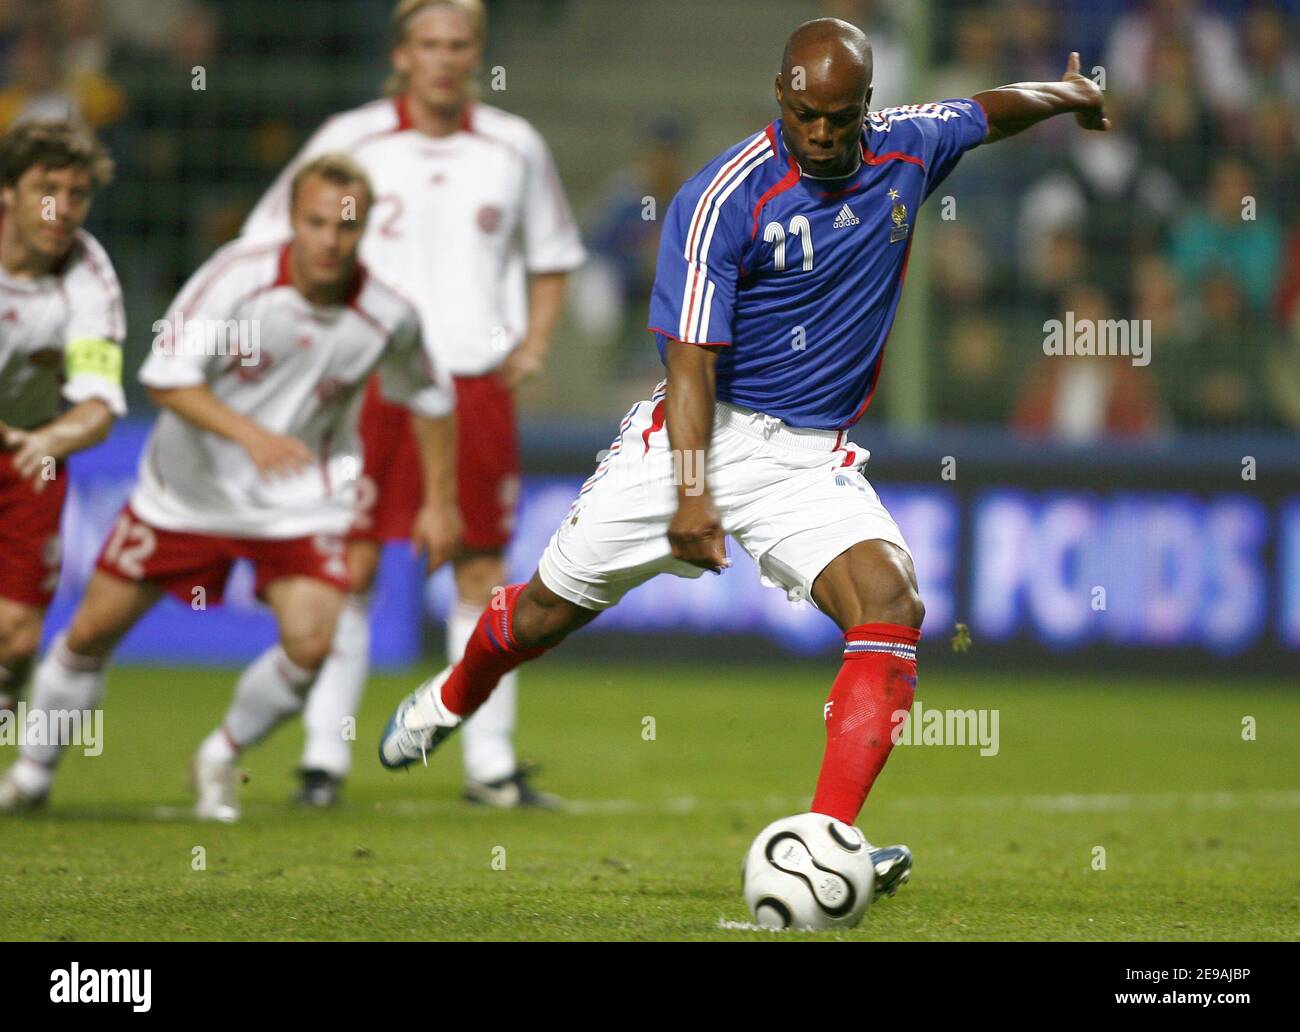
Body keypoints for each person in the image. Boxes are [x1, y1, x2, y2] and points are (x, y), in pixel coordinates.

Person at [377, 17, 1109, 898]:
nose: (824, 134)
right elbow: (689, 362)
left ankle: (829, 838)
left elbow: (988, 110)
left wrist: (1068, 95)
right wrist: (692, 494)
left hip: (810, 464)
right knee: (541, 614)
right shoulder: (722, 197)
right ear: (780, 97)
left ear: (866, 107)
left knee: (893, 601)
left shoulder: (908, 150)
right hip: (699, 437)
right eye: (807, 116)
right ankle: (456, 694)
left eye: (841, 117)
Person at [0, 155, 458, 818]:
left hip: (300, 500)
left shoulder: (389, 315)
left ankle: (219, 755)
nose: (331, 240)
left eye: (346, 227)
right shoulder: (236, 280)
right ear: (292, 220)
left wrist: (439, 504)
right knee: (90, 634)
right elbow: (164, 376)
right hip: (188, 492)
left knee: (312, 639)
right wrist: (249, 435)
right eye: (317, 222)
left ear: (367, 229)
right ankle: (33, 775)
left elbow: (431, 397)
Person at [242, 0, 585, 808]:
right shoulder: (350, 140)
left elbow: (554, 254)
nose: (443, 58)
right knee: (352, 566)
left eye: (458, 44)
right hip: (366, 383)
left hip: (471, 380)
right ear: (401, 55)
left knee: (480, 567)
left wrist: (532, 343)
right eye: (428, 44)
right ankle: (324, 763)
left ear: (477, 54)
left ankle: (489, 768)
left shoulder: (513, 146)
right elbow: (268, 240)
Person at [0, 119, 124, 718]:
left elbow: (98, 408)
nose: (63, 209)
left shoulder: (88, 278)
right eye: (47, 190)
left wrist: (49, 439)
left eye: (77, 195)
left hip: (29, 451)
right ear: (9, 192)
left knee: (18, 638)